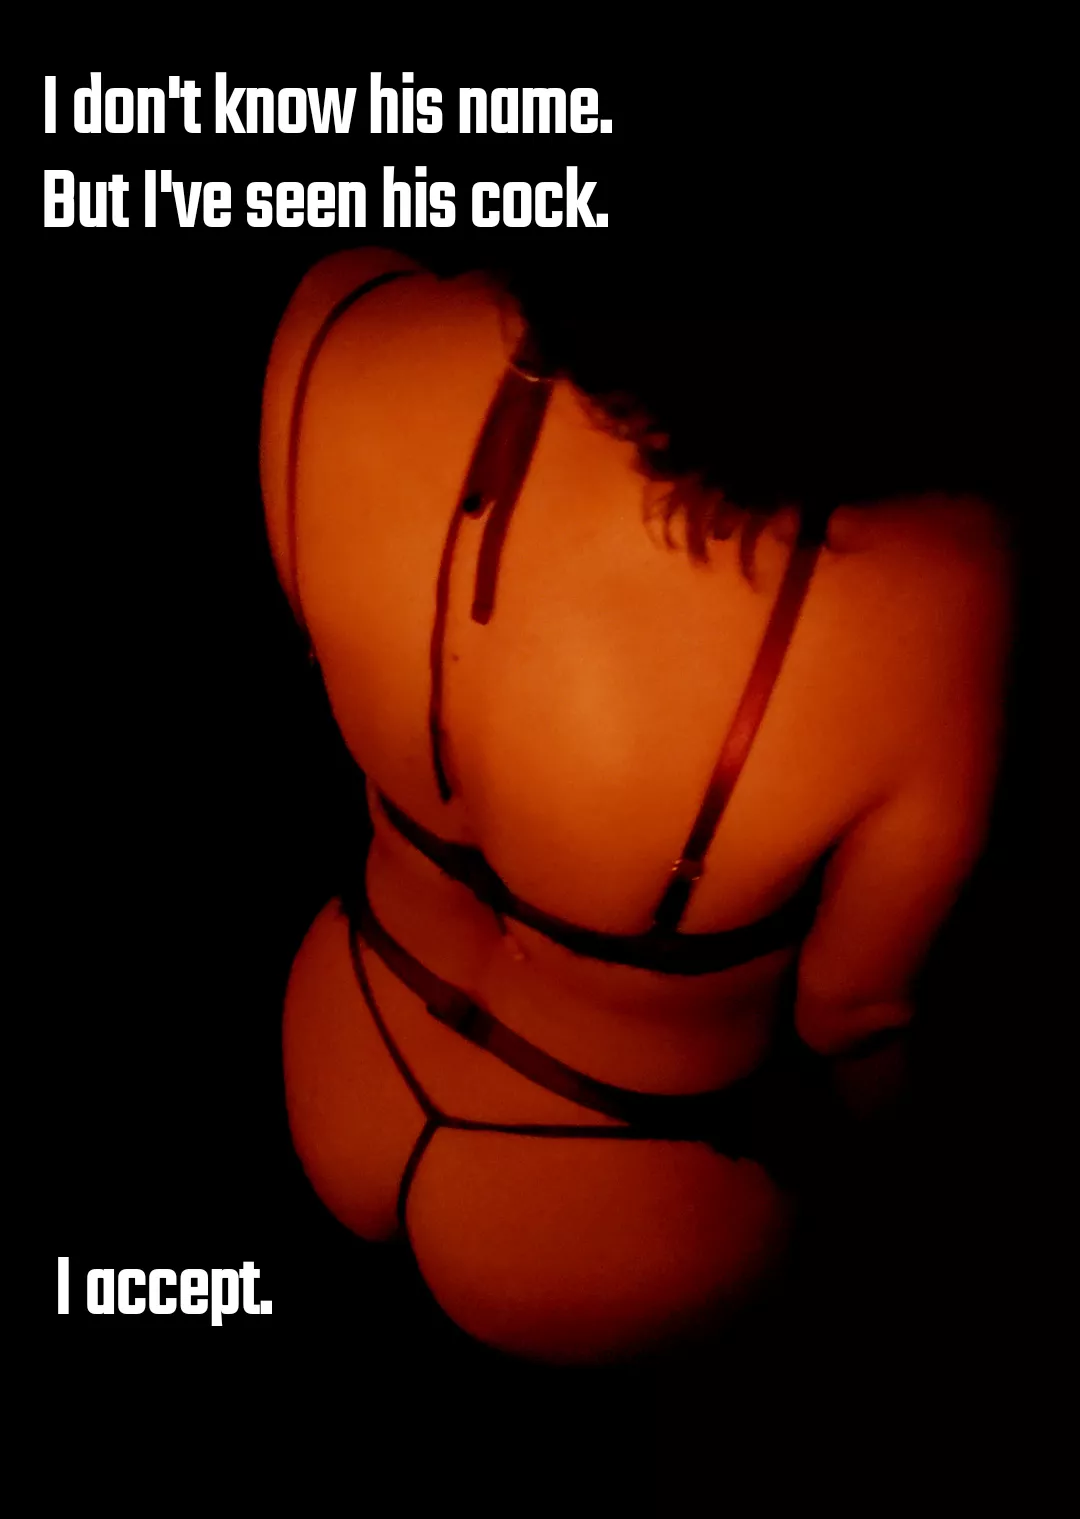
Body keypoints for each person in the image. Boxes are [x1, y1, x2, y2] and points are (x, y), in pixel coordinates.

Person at [260, 247, 1012, 1363]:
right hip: (631, 1206)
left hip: (340, 1046)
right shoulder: (938, 588)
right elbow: (852, 1015)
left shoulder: (341, 318)